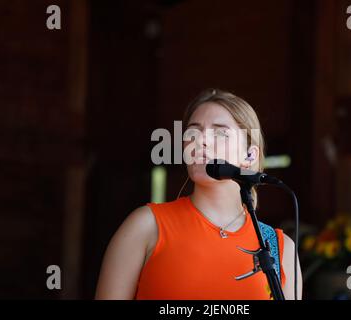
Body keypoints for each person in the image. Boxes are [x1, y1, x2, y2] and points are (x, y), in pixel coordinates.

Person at [95, 88, 303, 299]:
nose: (200, 141)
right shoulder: (146, 226)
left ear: (250, 156)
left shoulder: (279, 247)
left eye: (220, 132)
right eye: (192, 132)